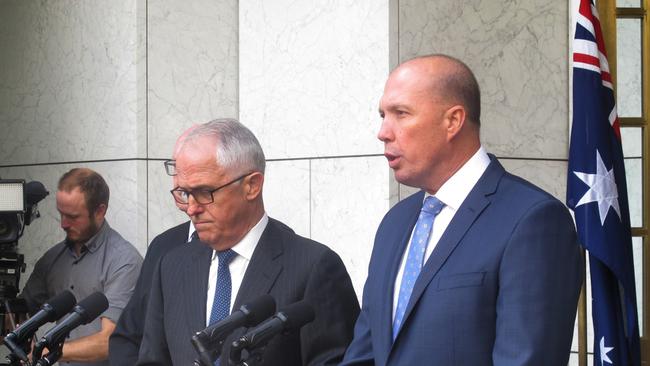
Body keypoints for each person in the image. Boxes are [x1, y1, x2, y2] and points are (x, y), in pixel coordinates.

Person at [341, 54, 583, 365]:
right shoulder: (395, 223)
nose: (383, 132)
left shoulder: (532, 220)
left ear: (453, 121)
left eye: (401, 113)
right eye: (382, 115)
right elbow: (365, 353)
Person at [136, 119, 360, 366]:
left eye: (204, 192)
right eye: (185, 193)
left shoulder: (313, 267)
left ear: (252, 185)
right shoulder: (172, 265)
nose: (191, 208)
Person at [21, 168, 143, 366]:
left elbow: (109, 341)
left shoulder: (124, 261)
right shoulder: (52, 259)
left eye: (73, 216)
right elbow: (21, 316)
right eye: (61, 214)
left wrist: (45, 350)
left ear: (100, 211)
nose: (63, 224)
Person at [108, 127, 197, 365]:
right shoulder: (163, 245)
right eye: (175, 168)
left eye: (190, 169)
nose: (179, 180)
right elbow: (129, 334)